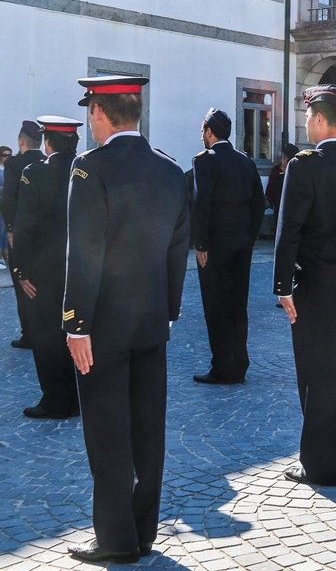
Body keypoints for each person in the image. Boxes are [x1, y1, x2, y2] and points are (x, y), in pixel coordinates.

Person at [64, 76, 190, 564]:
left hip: (103, 329)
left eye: (91, 112)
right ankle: (143, 531)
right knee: (148, 429)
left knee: (107, 431)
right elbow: (177, 251)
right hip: (152, 322)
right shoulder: (171, 170)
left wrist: (76, 324)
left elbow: (84, 254)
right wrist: (170, 311)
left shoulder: (89, 169)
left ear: (99, 112)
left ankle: (116, 540)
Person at [273, 84, 336, 486]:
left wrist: (283, 286)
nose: (305, 123)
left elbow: (289, 232)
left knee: (317, 372)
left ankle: (318, 465)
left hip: (315, 282)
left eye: (306, 116)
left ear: (319, 119)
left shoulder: (303, 165)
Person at [15, 116, 83, 419]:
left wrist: (21, 271)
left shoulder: (35, 172)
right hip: (80, 267)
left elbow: (25, 225)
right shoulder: (86, 169)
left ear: (47, 142)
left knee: (46, 337)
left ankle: (55, 400)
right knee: (76, 331)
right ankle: (76, 398)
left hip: (43, 271)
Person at [191, 108, 265, 385]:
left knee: (216, 306)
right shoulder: (245, 161)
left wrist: (200, 243)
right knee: (237, 304)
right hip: (241, 242)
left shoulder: (205, 161)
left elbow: (202, 204)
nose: (202, 135)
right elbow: (258, 202)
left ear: (210, 132)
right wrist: (250, 237)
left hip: (216, 244)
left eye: (203, 130)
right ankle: (239, 364)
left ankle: (222, 367)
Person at [0, 121, 45, 349]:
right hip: (46, 235)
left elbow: (8, 199)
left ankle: (29, 334)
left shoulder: (15, 164)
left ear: (20, 141)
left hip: (22, 232)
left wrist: (10, 229)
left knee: (22, 283)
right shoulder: (47, 162)